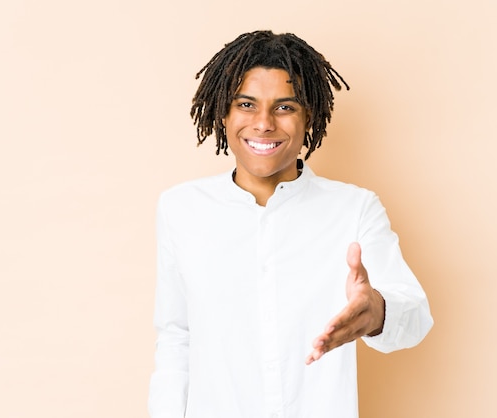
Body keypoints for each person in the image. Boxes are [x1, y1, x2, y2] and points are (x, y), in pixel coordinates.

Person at [148, 30, 433, 418]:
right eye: (246, 104)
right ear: (224, 113)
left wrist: (376, 312)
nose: (263, 123)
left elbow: (415, 317)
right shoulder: (181, 208)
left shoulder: (354, 208)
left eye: (284, 107)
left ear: (308, 116)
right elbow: (176, 337)